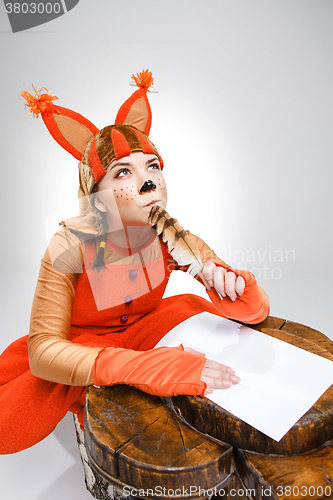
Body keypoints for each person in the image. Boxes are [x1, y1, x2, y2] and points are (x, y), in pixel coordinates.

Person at [0, 71, 270, 455]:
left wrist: (237, 287)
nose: (148, 182)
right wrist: (138, 367)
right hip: (85, 344)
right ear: (95, 193)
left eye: (153, 166)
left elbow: (254, 313)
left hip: (147, 327)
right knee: (12, 419)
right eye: (123, 172)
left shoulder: (170, 235)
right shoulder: (69, 244)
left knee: (204, 316)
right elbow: (44, 349)